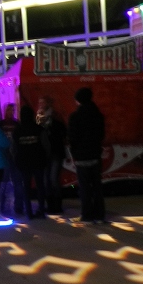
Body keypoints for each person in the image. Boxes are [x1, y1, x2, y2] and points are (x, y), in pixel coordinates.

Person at [68, 87, 106, 224]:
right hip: (95, 154)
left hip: (81, 156)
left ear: (78, 100)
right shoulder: (98, 115)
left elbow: (72, 138)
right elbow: (101, 135)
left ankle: (87, 215)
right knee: (97, 186)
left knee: (84, 187)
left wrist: (74, 153)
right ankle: (100, 215)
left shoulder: (75, 117)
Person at [13, 105, 47, 219]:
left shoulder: (17, 130)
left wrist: (16, 158)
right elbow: (46, 145)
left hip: (23, 162)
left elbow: (13, 148)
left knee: (26, 187)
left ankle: (28, 212)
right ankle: (41, 210)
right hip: (38, 161)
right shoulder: (39, 129)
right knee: (40, 186)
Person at [36, 96, 67, 214]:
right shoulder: (38, 117)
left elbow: (62, 131)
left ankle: (57, 205)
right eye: (40, 102)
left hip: (55, 152)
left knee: (53, 178)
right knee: (46, 180)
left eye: (43, 102)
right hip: (45, 153)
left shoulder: (55, 117)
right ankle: (50, 205)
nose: (41, 105)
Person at [0, 104, 24, 219]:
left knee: (16, 182)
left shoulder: (16, 124)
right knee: (4, 182)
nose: (11, 112)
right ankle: (2, 205)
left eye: (12, 110)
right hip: (5, 156)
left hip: (14, 156)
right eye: (9, 110)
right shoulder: (1, 124)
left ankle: (18, 206)